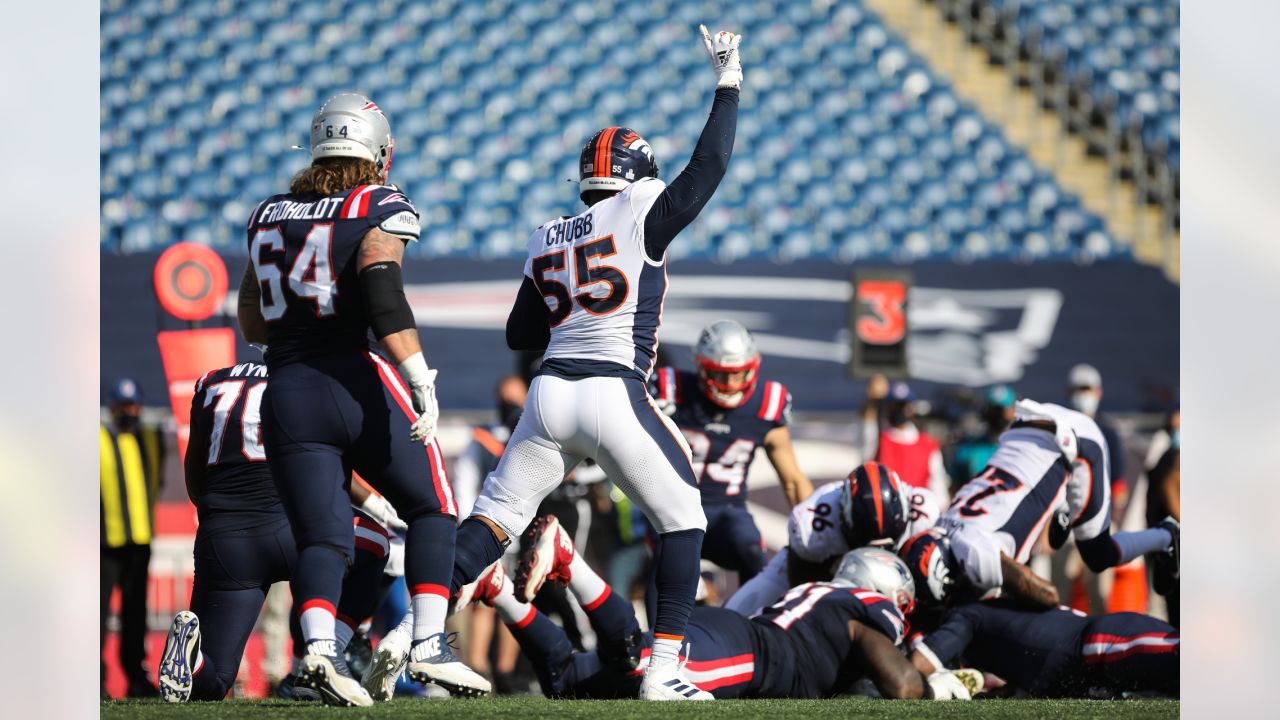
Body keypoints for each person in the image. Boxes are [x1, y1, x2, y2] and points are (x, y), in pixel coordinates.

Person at [440, 26, 744, 701]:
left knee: (494, 519)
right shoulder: (640, 210)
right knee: (684, 518)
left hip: (548, 394)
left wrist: (572, 309)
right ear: (637, 176)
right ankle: (664, 671)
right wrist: (728, 84)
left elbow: (522, 328)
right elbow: (709, 169)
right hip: (613, 392)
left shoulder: (547, 234)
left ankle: (422, 635)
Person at [236, 92, 486, 703]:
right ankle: (428, 643)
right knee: (433, 507)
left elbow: (252, 321)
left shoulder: (269, 213)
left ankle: (318, 651)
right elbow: (381, 286)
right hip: (353, 375)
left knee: (325, 536)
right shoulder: (377, 204)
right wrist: (420, 374)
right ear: (376, 150)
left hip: (287, 387)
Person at [472, 521, 975, 700]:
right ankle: (571, 561)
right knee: (639, 667)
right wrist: (930, 683)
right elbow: (902, 686)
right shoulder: (863, 612)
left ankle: (497, 590)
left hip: (732, 633)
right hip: (746, 656)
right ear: (883, 593)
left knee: (568, 682)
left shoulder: (826, 597)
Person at [157, 362, 394, 705]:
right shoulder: (310, 377)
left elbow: (194, 469)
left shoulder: (211, 382)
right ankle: (327, 658)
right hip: (289, 527)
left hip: (222, 537)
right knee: (377, 542)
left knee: (215, 680)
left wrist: (217, 515)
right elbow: (330, 466)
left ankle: (192, 662)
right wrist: (371, 500)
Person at [904, 399, 1179, 610]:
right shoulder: (941, 524)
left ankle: (1166, 535)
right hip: (1025, 429)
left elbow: (1046, 595)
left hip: (1075, 440)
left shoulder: (973, 550)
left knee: (1097, 554)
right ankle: (1060, 507)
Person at [647, 319, 813, 587]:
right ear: (701, 367)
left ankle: (751, 625)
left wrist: (813, 535)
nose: (730, 382)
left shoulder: (766, 405)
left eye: (738, 372)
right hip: (673, 509)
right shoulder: (671, 391)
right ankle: (659, 630)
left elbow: (793, 480)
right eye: (720, 373)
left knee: (750, 548)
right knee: (666, 567)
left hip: (728, 511)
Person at [725, 462, 941, 616]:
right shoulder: (813, 527)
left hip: (897, 579)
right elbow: (801, 588)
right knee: (737, 613)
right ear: (842, 517)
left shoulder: (925, 515)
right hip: (826, 572)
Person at [910, 600, 1179, 698]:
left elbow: (910, 675)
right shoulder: (987, 608)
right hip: (1086, 651)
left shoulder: (964, 615)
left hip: (1093, 647)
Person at [100, 377, 164, 698]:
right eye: (123, 406)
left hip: (139, 542)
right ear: (111, 408)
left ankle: (136, 676)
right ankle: (94, 678)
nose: (130, 411)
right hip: (103, 544)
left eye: (134, 405)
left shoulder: (150, 439)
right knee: (96, 611)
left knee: (135, 613)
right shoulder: (96, 439)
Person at [862, 379, 950, 504]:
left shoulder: (928, 445)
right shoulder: (878, 440)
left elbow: (937, 484)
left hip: (918, 513)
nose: (899, 411)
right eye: (894, 406)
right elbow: (866, 431)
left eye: (903, 406)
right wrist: (872, 402)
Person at [949, 385, 1016, 489]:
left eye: (1002, 410)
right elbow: (955, 485)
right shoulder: (969, 448)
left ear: (1013, 411)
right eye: (993, 410)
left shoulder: (1022, 447)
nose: (997, 416)